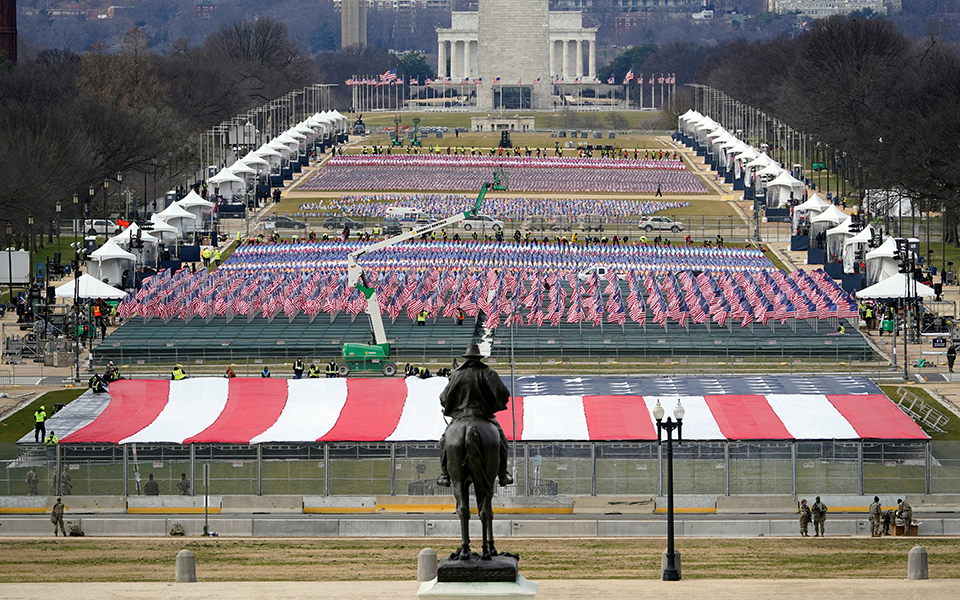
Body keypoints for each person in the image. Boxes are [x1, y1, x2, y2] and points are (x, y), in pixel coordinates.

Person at [435, 344, 514, 488]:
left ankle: (445, 475)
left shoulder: (457, 374)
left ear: (466, 359)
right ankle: (503, 474)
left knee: (443, 442)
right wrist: (494, 406)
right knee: (502, 440)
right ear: (479, 359)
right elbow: (504, 395)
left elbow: (443, 398)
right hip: (484, 416)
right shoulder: (489, 373)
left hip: (461, 416)